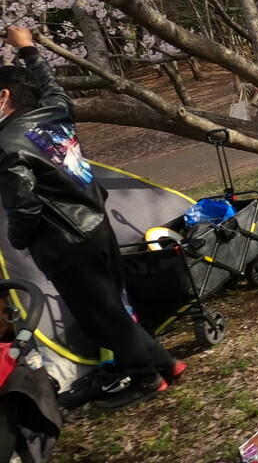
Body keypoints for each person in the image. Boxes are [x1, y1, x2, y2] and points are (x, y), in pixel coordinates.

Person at [0, 26, 180, 411]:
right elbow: (55, 87)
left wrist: (18, 239)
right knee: (112, 308)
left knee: (103, 319)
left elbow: (23, 206)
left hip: (64, 242)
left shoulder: (5, 144)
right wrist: (28, 49)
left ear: (4, 96)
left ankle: (146, 379)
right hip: (97, 226)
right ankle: (167, 363)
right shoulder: (54, 111)